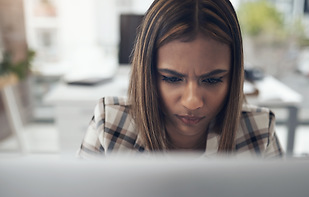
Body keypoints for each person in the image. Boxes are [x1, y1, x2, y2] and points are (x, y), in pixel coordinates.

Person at [78, 0, 284, 159]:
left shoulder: (259, 132)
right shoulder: (109, 125)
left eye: (212, 80)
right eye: (171, 78)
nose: (192, 101)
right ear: (146, 74)